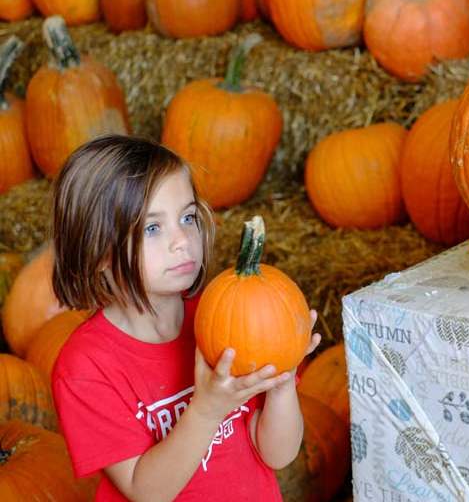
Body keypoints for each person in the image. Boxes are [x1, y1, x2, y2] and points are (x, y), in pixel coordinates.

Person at [50, 134, 321, 501]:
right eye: (152, 227)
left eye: (188, 217)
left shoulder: (225, 318)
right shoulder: (86, 368)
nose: (182, 240)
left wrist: (282, 383)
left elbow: (278, 453)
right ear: (98, 249)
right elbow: (146, 491)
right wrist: (207, 410)